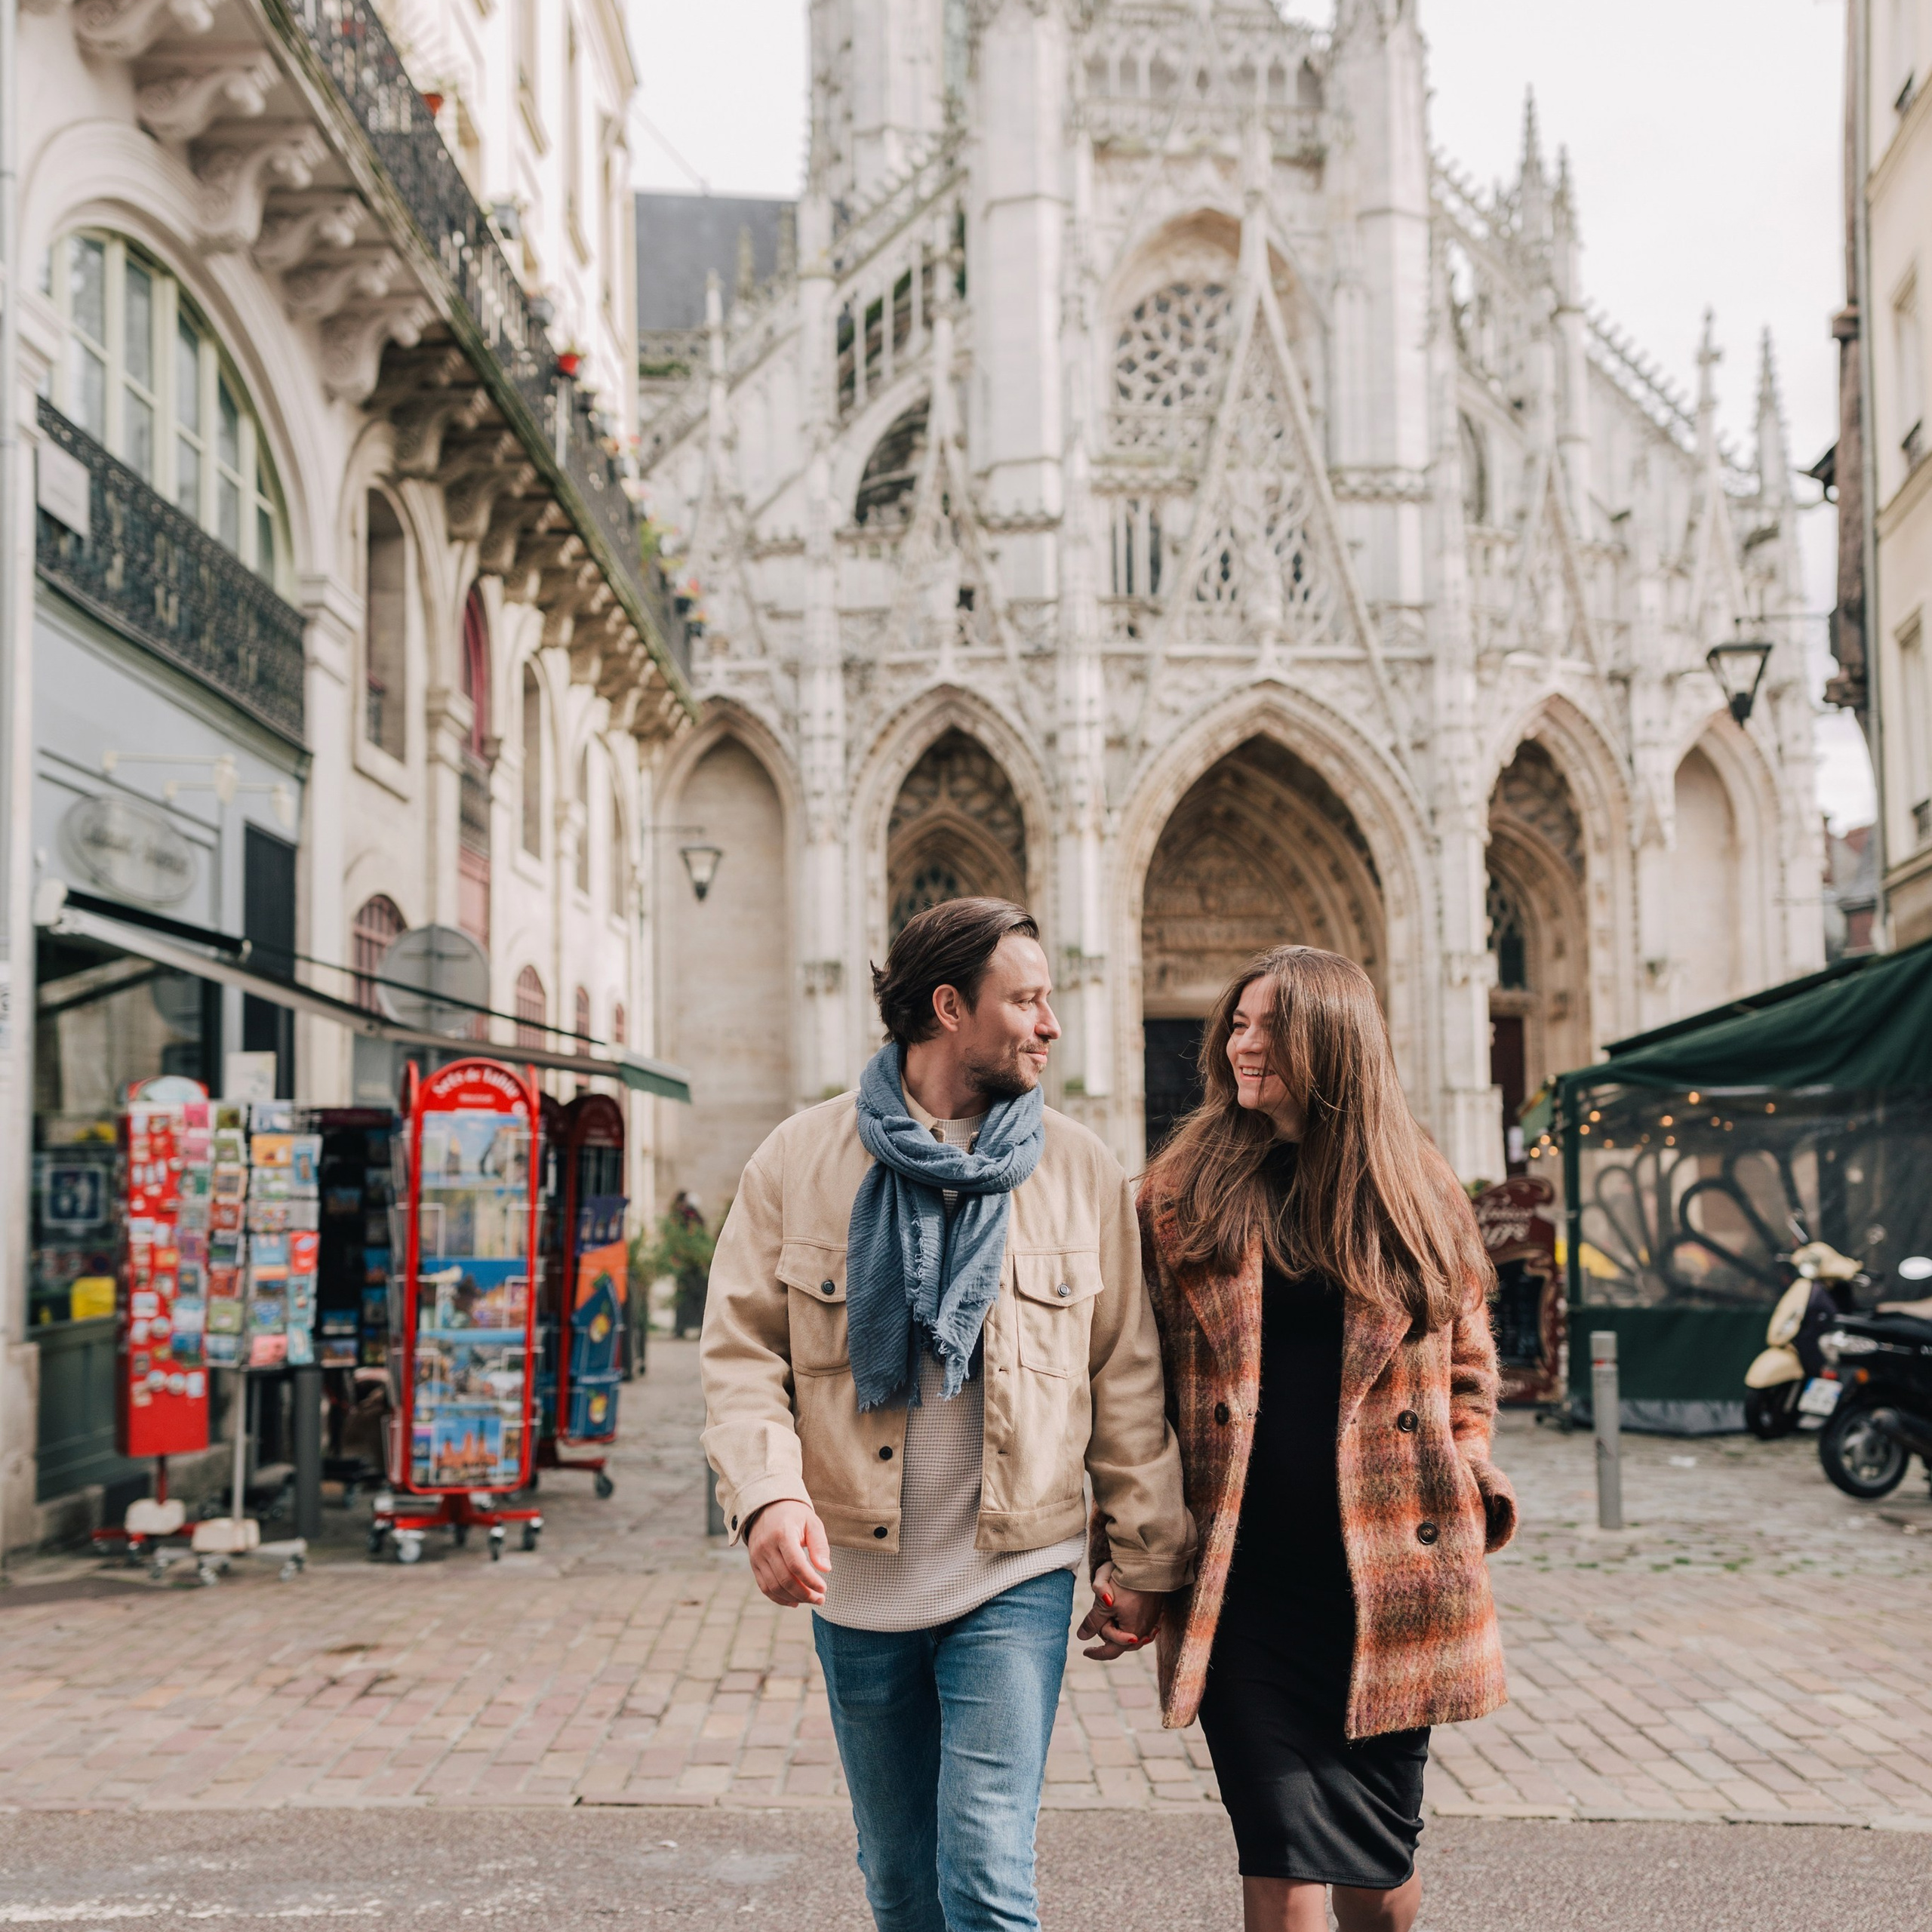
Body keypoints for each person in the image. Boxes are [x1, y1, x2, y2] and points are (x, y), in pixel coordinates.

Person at [701, 897, 1195, 1932]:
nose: (1051, 1023)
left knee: (984, 1872)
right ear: (947, 1009)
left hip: (1014, 1568)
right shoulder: (797, 1161)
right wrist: (765, 1499)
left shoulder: (1078, 1168)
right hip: (855, 1578)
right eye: (1026, 1000)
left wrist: (1145, 1559)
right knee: (900, 1881)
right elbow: (744, 1356)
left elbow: (1127, 1377)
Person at [1125, 946, 1517, 1932]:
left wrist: (1468, 1471)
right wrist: (1129, 1545)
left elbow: (1468, 1362)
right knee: (1281, 1853)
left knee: (1378, 1882)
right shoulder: (1178, 1194)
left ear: (1331, 1044)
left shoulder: (1418, 1193)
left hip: (1388, 1578)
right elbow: (1135, 1382)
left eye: (1265, 1026)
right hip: (1244, 1579)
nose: (1238, 1042)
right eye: (1237, 1022)